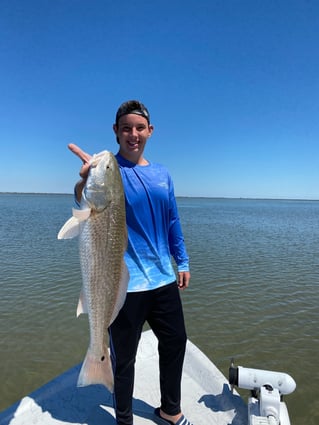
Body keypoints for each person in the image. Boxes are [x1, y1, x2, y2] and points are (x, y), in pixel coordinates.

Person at [69, 100, 192, 425]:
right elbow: (86, 203)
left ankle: (170, 409)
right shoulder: (108, 172)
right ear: (116, 132)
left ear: (150, 131)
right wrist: (83, 182)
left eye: (139, 128)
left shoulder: (162, 174)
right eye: (126, 128)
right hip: (124, 283)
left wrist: (183, 260)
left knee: (176, 342)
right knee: (123, 359)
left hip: (163, 279)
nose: (133, 134)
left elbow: (172, 220)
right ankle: (124, 420)